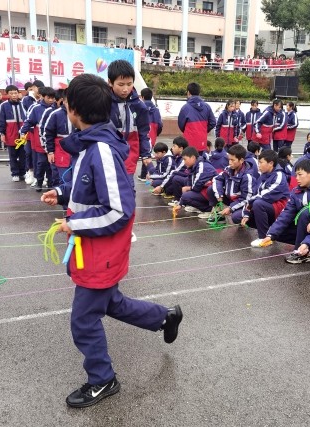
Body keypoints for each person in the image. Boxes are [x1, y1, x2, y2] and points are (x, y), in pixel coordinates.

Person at [39, 74, 183, 408]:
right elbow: (86, 186)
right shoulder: (92, 143)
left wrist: (77, 224)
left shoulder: (100, 148)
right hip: (93, 245)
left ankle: (102, 379)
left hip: (99, 247)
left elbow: (120, 209)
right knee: (110, 303)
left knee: (84, 319)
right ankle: (164, 317)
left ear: (73, 110)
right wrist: (61, 193)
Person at [260, 159, 310, 263]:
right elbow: (286, 213)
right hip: (305, 226)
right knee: (280, 233)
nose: (297, 178)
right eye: (296, 175)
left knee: (306, 213)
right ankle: (306, 246)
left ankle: (301, 251)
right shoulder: (296, 191)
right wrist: (271, 234)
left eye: (300, 175)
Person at [107, 60, 152, 179]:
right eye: (121, 85)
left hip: (129, 157)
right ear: (110, 82)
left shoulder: (139, 106)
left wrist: (146, 154)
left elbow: (144, 132)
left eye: (129, 84)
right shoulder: (103, 102)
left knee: (127, 191)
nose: (126, 89)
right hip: (107, 156)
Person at [240, 150, 290, 247]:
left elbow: (267, 195)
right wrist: (246, 213)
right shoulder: (263, 175)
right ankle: (268, 230)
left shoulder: (279, 175)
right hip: (267, 204)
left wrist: (250, 203)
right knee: (239, 217)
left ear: (271, 163)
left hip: (279, 206)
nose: (258, 165)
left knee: (258, 204)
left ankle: (263, 238)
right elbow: (255, 193)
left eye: (261, 162)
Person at [203, 144, 255, 222]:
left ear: (241, 160)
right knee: (211, 189)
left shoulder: (247, 177)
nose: (230, 162)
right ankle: (218, 213)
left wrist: (230, 208)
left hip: (241, 202)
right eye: (229, 159)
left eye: (233, 160)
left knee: (235, 217)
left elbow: (246, 199)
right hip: (229, 198)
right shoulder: (228, 169)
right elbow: (217, 179)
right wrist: (219, 194)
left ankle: (245, 219)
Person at [20, 87, 56, 190]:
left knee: (51, 164)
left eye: (53, 98)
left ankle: (50, 183)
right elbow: (29, 121)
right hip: (39, 140)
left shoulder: (55, 109)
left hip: (51, 141)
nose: (51, 100)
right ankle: (39, 181)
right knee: (40, 163)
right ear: (42, 96)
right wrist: (23, 131)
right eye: (49, 98)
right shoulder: (36, 108)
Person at [171, 146, 217, 214]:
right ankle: (198, 206)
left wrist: (188, 188)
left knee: (186, 195)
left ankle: (209, 210)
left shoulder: (202, 165)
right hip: (203, 190)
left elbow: (196, 186)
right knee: (183, 182)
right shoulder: (193, 166)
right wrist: (180, 204)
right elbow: (190, 183)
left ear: (193, 157)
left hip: (211, 192)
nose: (184, 162)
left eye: (185, 159)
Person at [43, 91, 74, 189]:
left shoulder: (81, 114)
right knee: (64, 178)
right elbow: (48, 134)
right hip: (61, 151)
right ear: (63, 101)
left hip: (77, 150)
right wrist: (50, 152)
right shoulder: (55, 114)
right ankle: (64, 199)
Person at [0, 85, 27, 182]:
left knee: (23, 155)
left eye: (15, 93)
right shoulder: (4, 105)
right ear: (8, 94)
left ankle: (23, 172)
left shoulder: (23, 104)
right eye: (11, 93)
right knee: (12, 155)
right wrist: (2, 133)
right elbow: (1, 120)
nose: (14, 95)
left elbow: (27, 119)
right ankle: (15, 173)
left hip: (23, 134)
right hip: (10, 134)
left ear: (18, 93)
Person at [178, 82, 216, 154]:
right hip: (202, 141)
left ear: (188, 93)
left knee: (188, 162)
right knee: (200, 162)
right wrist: (204, 130)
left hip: (188, 142)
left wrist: (189, 131)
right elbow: (213, 122)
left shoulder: (185, 108)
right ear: (199, 93)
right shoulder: (207, 106)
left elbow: (181, 125)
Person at [138, 88, 163, 181]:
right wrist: (156, 133)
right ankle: (144, 175)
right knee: (147, 154)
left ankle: (147, 175)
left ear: (142, 97)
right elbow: (160, 124)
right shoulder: (156, 110)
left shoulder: (139, 107)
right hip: (151, 135)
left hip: (139, 134)